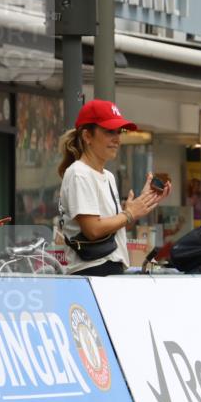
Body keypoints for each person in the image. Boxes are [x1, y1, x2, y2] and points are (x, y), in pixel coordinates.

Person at [57, 100, 170, 276]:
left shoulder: (107, 176)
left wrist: (142, 203)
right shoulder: (79, 173)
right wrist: (129, 213)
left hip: (109, 268)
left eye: (119, 131)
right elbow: (93, 229)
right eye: (109, 131)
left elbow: (111, 226)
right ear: (87, 136)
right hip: (91, 270)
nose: (117, 139)